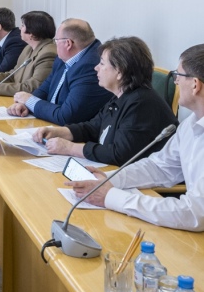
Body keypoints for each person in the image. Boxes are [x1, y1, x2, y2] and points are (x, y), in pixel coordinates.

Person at [68, 44, 204, 231]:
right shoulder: (191, 124)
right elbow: (159, 166)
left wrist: (110, 197)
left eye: (178, 75)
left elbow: (194, 214)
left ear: (195, 84)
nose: (176, 81)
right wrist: (109, 179)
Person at [33, 37, 178, 165]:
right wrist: (60, 132)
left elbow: (120, 154)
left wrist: (70, 148)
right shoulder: (121, 96)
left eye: (102, 64)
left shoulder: (141, 104)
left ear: (120, 72)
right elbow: (94, 127)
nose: (96, 68)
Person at [7, 18, 110, 125]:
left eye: (56, 40)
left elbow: (66, 116)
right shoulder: (65, 57)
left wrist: (30, 101)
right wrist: (26, 104)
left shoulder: (90, 67)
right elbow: (46, 87)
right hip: (51, 121)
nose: (55, 44)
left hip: (72, 130)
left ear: (68, 44)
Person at [0, 10, 56, 96]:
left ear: (32, 33)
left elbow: (32, 88)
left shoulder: (48, 54)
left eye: (23, 25)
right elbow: (13, 74)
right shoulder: (28, 48)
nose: (19, 28)